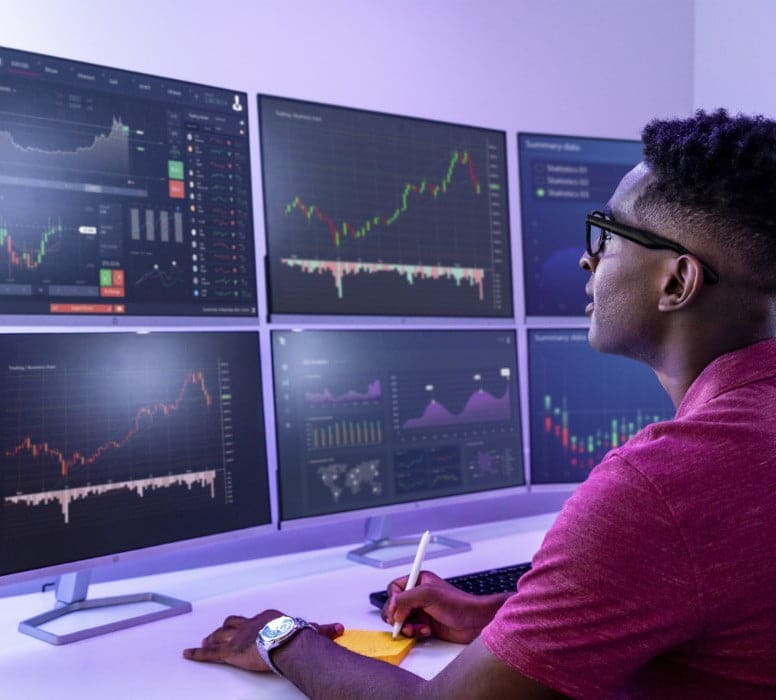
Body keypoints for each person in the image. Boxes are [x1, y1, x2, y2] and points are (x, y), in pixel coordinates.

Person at [183, 109, 776, 698]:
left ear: (676, 282)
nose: (587, 259)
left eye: (608, 234)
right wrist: (505, 619)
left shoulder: (659, 490)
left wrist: (283, 636)